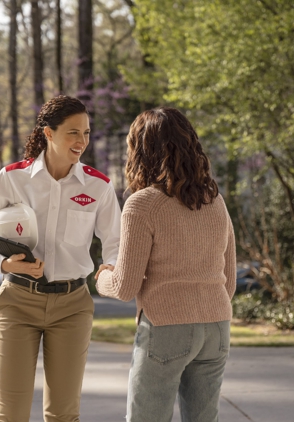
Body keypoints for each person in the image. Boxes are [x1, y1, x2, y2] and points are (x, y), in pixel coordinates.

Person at [0, 95, 121, 422]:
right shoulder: (12, 178)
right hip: (17, 302)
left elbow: (116, 242)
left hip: (73, 305)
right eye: (73, 133)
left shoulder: (98, 186)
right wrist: (3, 264)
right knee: (10, 416)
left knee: (63, 415)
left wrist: (110, 268)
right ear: (48, 133)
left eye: (87, 133)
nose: (82, 141)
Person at [95, 107, 237, 422]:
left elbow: (124, 286)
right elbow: (229, 280)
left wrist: (102, 275)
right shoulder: (214, 201)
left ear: (141, 151)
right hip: (217, 325)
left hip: (166, 325)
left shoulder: (142, 203)